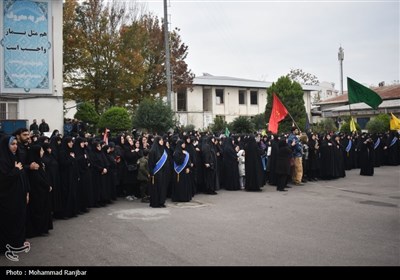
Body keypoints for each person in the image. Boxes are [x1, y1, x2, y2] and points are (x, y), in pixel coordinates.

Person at [0, 136, 29, 253]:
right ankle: (8, 246)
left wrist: (26, 192)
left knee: (19, 220)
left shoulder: (15, 158)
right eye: (12, 144)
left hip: (19, 197)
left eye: (16, 144)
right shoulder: (2, 161)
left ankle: (18, 243)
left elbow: (23, 177)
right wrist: (16, 170)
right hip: (8, 199)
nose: (15, 146)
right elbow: (3, 180)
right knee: (9, 222)